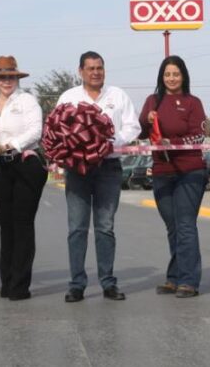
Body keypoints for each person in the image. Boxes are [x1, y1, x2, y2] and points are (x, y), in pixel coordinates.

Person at [57, 51, 140, 303]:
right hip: (78, 170)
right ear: (80, 71)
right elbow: (57, 127)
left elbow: (133, 126)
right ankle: (77, 284)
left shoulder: (118, 96)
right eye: (91, 68)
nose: (96, 72)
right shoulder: (69, 97)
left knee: (105, 227)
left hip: (108, 168)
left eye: (100, 68)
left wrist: (110, 141)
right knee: (77, 229)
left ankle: (108, 283)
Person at [0, 56, 45, 301]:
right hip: (2, 167)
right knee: (6, 225)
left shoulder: (27, 101)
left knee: (22, 224)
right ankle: (7, 281)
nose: (6, 81)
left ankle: (20, 285)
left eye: (10, 76)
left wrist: (11, 145)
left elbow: (36, 131)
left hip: (26, 164)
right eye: (2, 77)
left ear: (17, 78)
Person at [138, 56, 207, 298]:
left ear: (184, 76)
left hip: (190, 171)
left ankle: (189, 280)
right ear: (161, 77)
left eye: (176, 74)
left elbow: (199, 136)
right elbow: (143, 131)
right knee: (173, 227)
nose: (171, 78)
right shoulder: (152, 101)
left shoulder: (193, 102)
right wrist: (146, 122)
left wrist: (173, 143)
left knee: (186, 225)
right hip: (162, 172)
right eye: (167, 74)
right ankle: (175, 277)